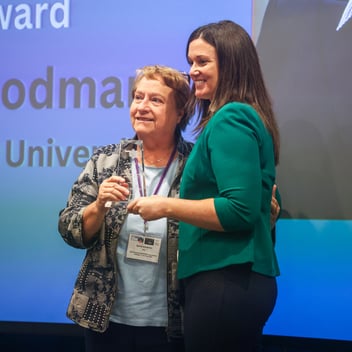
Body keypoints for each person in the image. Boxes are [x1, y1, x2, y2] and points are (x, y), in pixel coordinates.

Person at [127, 20, 280, 352]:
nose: (192, 71)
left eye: (202, 62)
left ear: (231, 63)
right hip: (233, 282)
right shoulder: (245, 116)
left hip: (225, 280)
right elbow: (257, 196)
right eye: (191, 62)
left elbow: (238, 210)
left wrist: (165, 205)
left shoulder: (231, 118)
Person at [58, 65, 193, 352]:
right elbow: (69, 229)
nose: (142, 107)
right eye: (137, 97)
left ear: (180, 113)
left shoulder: (196, 164)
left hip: (174, 321)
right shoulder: (106, 160)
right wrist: (97, 207)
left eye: (155, 100)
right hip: (105, 318)